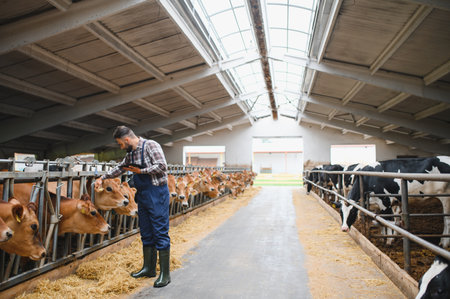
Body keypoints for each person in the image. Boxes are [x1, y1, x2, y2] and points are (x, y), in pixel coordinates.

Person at [95, 125, 171, 287]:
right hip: (143, 195)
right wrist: (102, 178)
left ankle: (165, 274)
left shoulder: (151, 145)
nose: (121, 147)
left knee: (160, 231)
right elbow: (120, 168)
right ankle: (149, 268)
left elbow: (162, 166)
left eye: (121, 144)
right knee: (146, 231)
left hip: (157, 193)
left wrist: (141, 171)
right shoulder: (131, 153)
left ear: (127, 140)